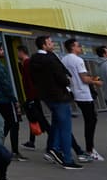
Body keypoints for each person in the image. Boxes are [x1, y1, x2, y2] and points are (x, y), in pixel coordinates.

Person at [28, 35, 82, 169]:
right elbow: (61, 77)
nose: (53, 44)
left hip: (47, 97)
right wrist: (67, 81)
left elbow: (34, 80)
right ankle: (67, 159)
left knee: (57, 123)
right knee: (65, 128)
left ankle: (54, 148)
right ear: (44, 45)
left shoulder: (33, 60)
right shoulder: (50, 59)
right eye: (50, 42)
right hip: (59, 96)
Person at [61, 38, 103, 161]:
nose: (81, 48)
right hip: (84, 94)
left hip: (75, 92)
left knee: (90, 119)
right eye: (78, 46)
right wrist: (96, 81)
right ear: (72, 47)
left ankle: (88, 149)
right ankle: (90, 149)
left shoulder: (64, 59)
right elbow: (84, 79)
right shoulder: (78, 60)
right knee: (91, 120)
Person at [0, 42, 24, 160]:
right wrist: (14, 98)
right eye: (1, 50)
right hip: (5, 98)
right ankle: (14, 151)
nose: (3, 51)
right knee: (14, 123)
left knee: (7, 123)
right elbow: (5, 84)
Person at [16, 45, 47, 152]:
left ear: (21, 52)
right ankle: (31, 141)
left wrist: (31, 97)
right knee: (33, 117)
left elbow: (29, 80)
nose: (17, 55)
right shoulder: (24, 63)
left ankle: (54, 140)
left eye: (18, 52)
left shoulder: (28, 63)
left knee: (40, 119)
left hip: (32, 96)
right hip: (32, 96)